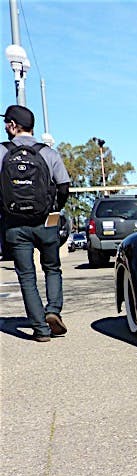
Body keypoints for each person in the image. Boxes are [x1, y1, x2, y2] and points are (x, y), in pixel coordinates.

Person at [0, 105, 71, 342]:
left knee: (27, 276)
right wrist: (54, 208)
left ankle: (41, 330)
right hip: (46, 222)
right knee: (52, 268)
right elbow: (63, 186)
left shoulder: (1, 152)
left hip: (14, 224)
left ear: (12, 126)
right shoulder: (49, 153)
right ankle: (53, 311)